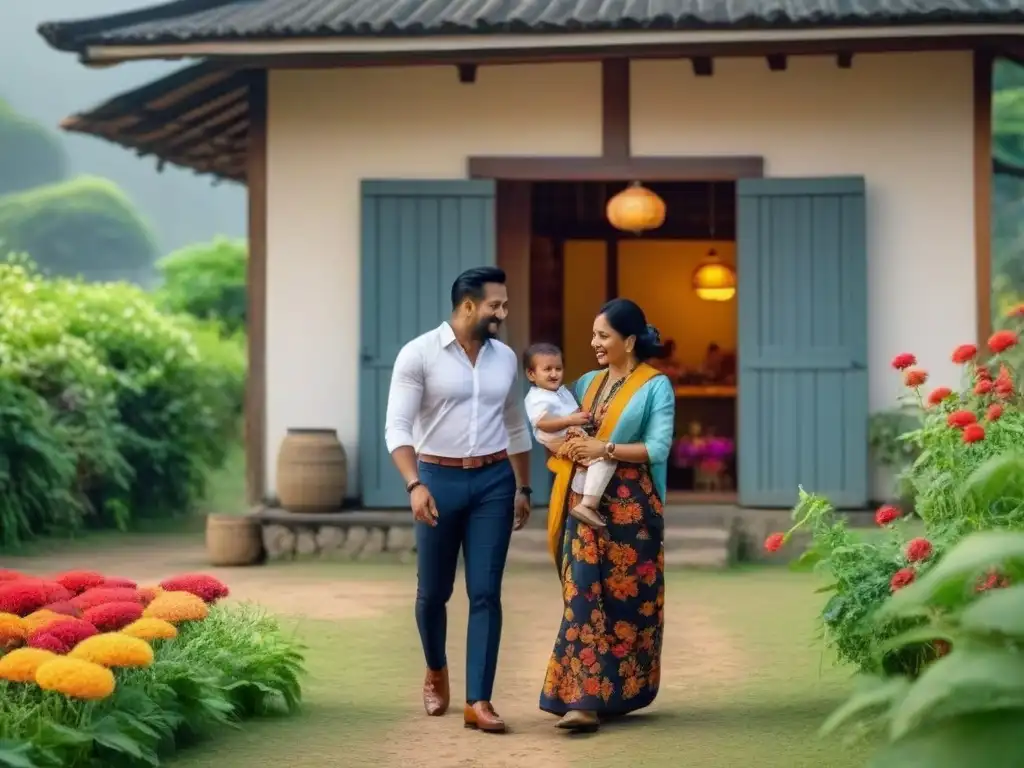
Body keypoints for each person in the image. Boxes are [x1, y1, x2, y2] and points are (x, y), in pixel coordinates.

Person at [384, 266, 533, 735]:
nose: (503, 313)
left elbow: (514, 424)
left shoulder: (505, 358)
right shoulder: (419, 354)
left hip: (494, 483)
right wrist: (414, 485)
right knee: (434, 593)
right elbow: (397, 428)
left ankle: (478, 700)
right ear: (468, 306)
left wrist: (523, 487)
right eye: (496, 306)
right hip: (436, 479)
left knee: (486, 593)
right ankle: (435, 667)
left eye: (504, 305)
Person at [538, 298, 675, 732]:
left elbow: (658, 448)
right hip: (583, 502)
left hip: (632, 510)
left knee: (625, 602)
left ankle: (616, 695)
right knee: (581, 596)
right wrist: (568, 446)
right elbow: (548, 424)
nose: (593, 342)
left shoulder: (656, 386)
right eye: (594, 334)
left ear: (629, 341)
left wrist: (605, 448)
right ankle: (582, 701)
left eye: (603, 335)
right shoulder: (586, 384)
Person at [522, 342, 615, 529]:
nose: (554, 374)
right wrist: (570, 420)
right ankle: (588, 503)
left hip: (573, 435)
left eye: (558, 368)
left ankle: (581, 501)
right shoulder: (537, 397)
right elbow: (543, 423)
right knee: (605, 458)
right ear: (531, 374)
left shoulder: (560, 391)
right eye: (547, 369)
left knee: (583, 468)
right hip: (563, 440)